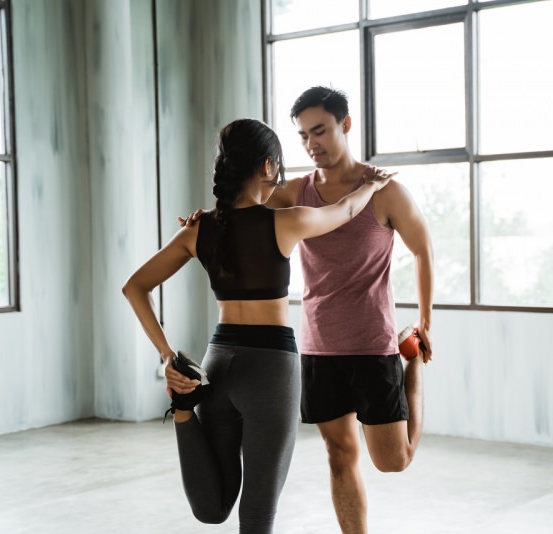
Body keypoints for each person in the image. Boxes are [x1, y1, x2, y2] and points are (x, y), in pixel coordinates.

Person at [183, 86, 434, 533]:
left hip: (374, 343)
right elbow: (242, 208)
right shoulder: (295, 191)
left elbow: (423, 249)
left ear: (346, 124)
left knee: (393, 461)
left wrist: (425, 323)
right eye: (302, 136)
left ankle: (412, 364)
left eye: (319, 131)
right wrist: (203, 220)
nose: (310, 143)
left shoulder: (385, 191)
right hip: (318, 347)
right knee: (339, 457)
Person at [122, 118, 392, 533]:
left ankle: (182, 413)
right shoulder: (287, 222)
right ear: (267, 166)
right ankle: (180, 413)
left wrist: (168, 357)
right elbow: (346, 210)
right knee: (258, 513)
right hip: (270, 370)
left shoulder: (199, 230)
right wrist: (372, 185)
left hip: (218, 365)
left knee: (213, 509)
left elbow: (134, 287)